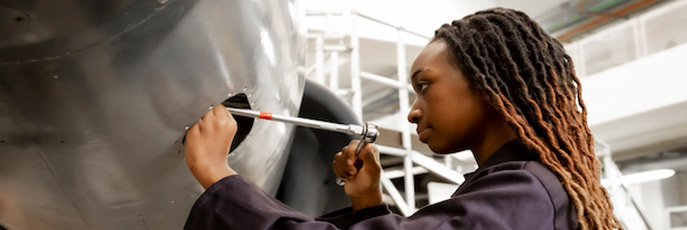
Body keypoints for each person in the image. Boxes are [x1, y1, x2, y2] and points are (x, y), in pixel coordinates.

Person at [182, 8, 621, 230]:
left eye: (424, 85)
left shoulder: (526, 193)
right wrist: (369, 203)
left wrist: (221, 180)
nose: (412, 111)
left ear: (492, 85)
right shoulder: (526, 189)